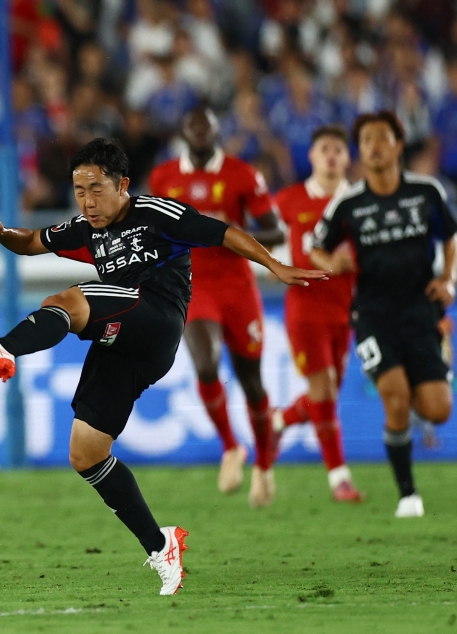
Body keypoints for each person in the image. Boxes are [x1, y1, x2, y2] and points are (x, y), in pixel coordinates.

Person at [0, 138, 324, 595]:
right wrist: (0, 232)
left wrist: (274, 265)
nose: (87, 200)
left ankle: (2, 347)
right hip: (123, 338)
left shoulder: (157, 213)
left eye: (96, 188)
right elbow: (31, 242)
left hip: (157, 317)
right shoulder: (87, 226)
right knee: (86, 453)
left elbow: (221, 231)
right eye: (79, 190)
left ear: (123, 184)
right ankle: (161, 545)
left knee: (67, 301)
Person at [312, 111, 457, 518]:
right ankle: (408, 495)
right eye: (367, 141)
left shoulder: (427, 192)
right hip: (373, 315)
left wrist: (449, 277)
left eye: (382, 138)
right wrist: (331, 261)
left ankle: (418, 376)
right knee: (394, 401)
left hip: (419, 311)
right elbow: (316, 245)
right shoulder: (349, 202)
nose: (374, 147)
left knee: (438, 410)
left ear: (398, 145)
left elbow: (452, 236)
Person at [148, 107, 285, 507]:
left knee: (251, 381)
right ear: (185, 134)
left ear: (216, 132)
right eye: (194, 129)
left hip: (237, 286)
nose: (201, 135)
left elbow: (275, 229)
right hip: (193, 283)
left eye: (207, 128)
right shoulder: (164, 177)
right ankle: (230, 446)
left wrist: (228, 228)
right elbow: (149, 227)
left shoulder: (243, 175)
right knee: (205, 363)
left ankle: (263, 464)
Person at [272, 124, 362, 503]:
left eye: (339, 149)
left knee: (325, 395)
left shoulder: (360, 202)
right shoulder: (288, 200)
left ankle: (277, 421)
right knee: (323, 390)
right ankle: (339, 478)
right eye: (324, 148)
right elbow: (266, 241)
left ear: (347, 158)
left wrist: (351, 260)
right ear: (311, 156)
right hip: (305, 309)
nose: (331, 155)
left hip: (345, 311)